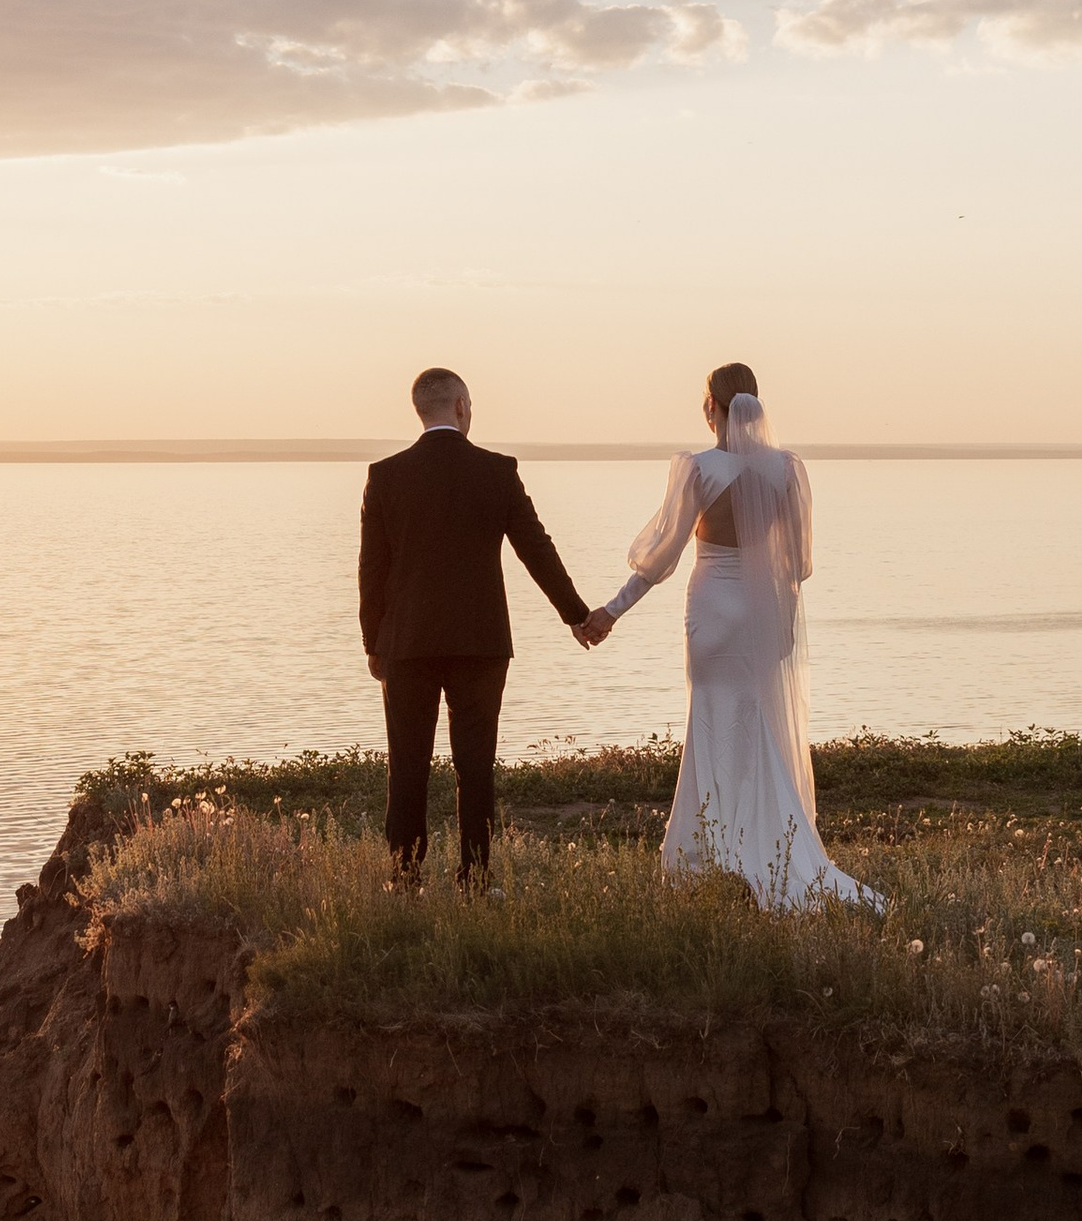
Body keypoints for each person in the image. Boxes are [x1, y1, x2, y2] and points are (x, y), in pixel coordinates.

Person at [579, 361, 879, 911]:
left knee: (710, 722)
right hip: (761, 616)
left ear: (711, 407)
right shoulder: (786, 470)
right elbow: (797, 565)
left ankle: (710, 852)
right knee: (757, 724)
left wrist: (611, 610)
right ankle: (769, 841)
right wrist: (781, 625)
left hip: (712, 611)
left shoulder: (698, 469)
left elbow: (660, 560)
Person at [359, 367, 596, 884]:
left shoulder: (386, 475)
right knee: (475, 765)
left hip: (406, 643)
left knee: (408, 767)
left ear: (421, 410)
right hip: (480, 642)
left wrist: (372, 641)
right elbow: (536, 548)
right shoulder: (497, 471)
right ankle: (476, 876)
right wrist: (576, 615)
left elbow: (371, 569)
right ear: (462, 406)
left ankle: (403, 877)